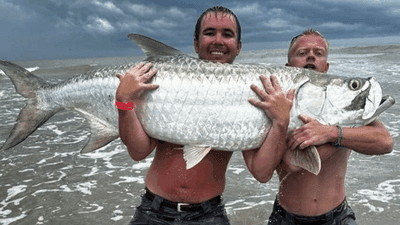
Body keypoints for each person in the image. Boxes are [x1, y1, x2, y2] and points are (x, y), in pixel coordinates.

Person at [116, 6, 294, 224]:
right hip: (152, 211)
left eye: (227, 34)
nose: (218, 40)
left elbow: (262, 172)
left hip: (209, 214)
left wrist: (281, 121)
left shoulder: (254, 91)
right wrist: (123, 102)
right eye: (209, 33)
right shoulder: (164, 84)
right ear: (195, 43)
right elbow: (138, 150)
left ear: (238, 47)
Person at [267, 28, 394, 225]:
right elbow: (291, 164)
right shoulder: (275, 105)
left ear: (326, 67)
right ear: (288, 66)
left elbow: (385, 141)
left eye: (318, 53)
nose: (311, 56)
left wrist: (332, 133)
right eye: (302, 53)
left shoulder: (341, 107)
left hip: (338, 217)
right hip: (286, 217)